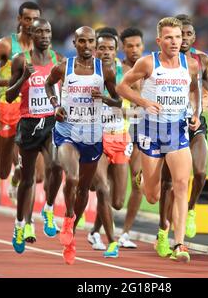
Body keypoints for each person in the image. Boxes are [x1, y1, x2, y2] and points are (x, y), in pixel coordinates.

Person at [117, 17, 200, 263]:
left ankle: (180, 243)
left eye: (178, 37)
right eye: (169, 37)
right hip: (150, 132)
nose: (175, 42)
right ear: (159, 40)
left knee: (182, 184)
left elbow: (194, 89)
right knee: (152, 196)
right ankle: (143, 178)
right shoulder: (147, 63)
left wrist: (195, 113)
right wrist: (144, 102)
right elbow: (123, 87)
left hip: (176, 131)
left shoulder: (191, 64)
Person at [45, 26, 121, 265]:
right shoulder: (63, 67)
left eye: (91, 41)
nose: (87, 46)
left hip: (92, 133)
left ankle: (72, 228)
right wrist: (56, 104)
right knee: (73, 177)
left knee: (84, 189)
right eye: (82, 41)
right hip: (66, 129)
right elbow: (49, 84)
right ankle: (67, 218)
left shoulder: (105, 69)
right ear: (75, 43)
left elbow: (118, 100)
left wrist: (106, 99)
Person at [0, 1, 44, 203]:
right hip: (8, 108)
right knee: (3, 172)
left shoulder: (42, 47)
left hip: (32, 111)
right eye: (27, 19)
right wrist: (10, 82)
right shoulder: (6, 45)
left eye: (35, 19)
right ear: (19, 20)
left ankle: (18, 190)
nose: (32, 23)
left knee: (36, 174)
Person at [6, 18, 64, 253]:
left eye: (48, 31)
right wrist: (23, 79)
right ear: (31, 34)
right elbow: (9, 96)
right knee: (28, 179)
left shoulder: (58, 60)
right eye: (39, 32)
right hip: (29, 125)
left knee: (57, 165)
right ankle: (20, 224)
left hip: (51, 122)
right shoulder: (21, 60)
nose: (44, 36)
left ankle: (49, 209)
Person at [157, 14, 208, 243]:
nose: (185, 39)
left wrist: (207, 99)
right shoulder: (162, 61)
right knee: (167, 184)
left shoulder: (202, 61)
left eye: (189, 34)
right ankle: (163, 229)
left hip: (195, 123)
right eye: (182, 35)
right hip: (168, 124)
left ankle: (190, 209)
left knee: (200, 172)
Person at [87, 31, 132, 258]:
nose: (105, 52)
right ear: (95, 50)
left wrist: (111, 102)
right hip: (96, 138)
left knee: (117, 202)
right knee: (101, 188)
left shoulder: (127, 74)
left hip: (120, 138)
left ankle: (94, 230)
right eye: (101, 48)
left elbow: (133, 109)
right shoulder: (87, 71)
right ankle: (111, 240)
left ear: (116, 51)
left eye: (110, 49)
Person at [117, 27, 145, 249]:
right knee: (112, 188)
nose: (134, 50)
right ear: (122, 47)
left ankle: (125, 233)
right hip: (117, 130)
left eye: (138, 45)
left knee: (138, 183)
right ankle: (99, 228)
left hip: (141, 132)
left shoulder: (150, 67)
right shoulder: (117, 69)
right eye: (130, 46)